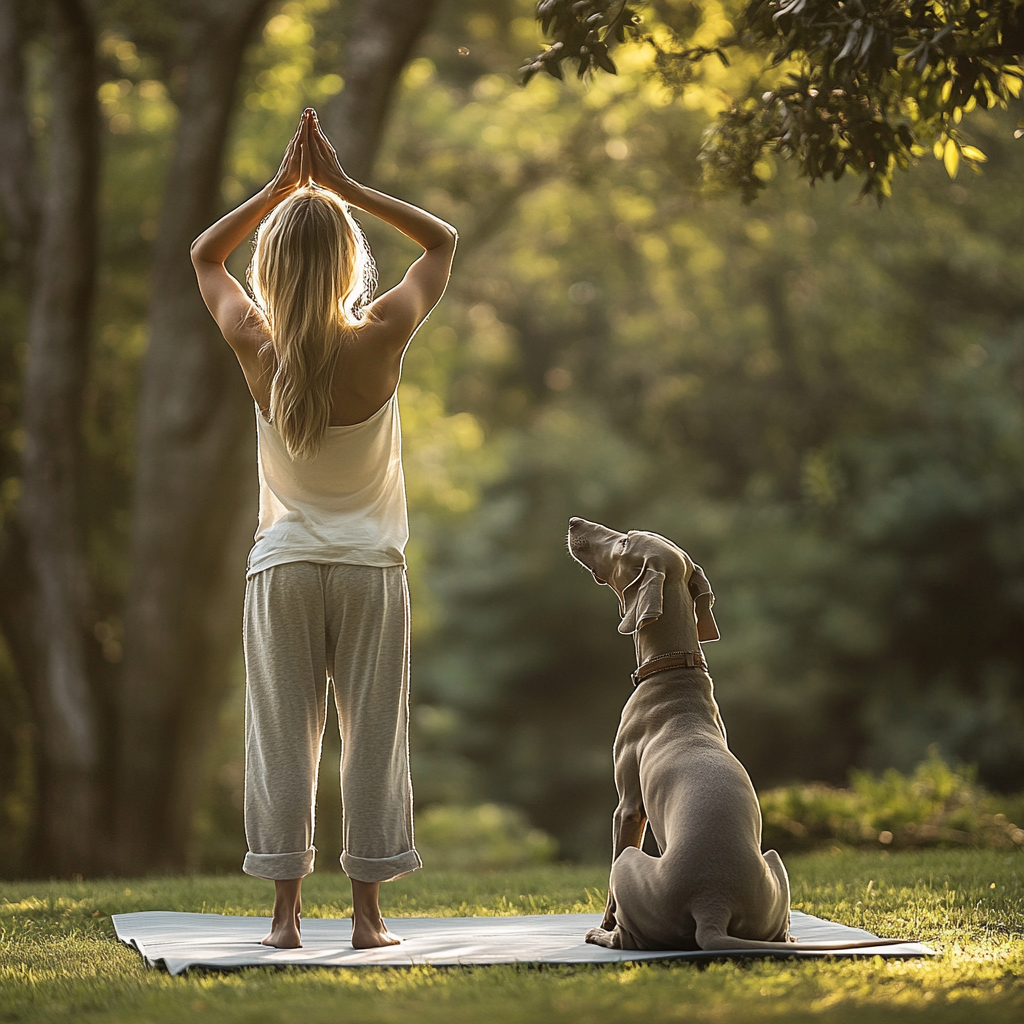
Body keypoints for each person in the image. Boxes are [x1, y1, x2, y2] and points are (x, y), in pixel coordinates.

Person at [190, 108, 457, 948]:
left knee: (281, 743)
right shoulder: (382, 334)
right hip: (370, 568)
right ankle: (369, 920)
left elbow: (203, 256)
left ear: (270, 262)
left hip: (284, 569)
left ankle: (283, 919)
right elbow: (442, 243)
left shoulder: (253, 341)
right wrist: (340, 188)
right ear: (350, 261)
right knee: (373, 742)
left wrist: (278, 189)